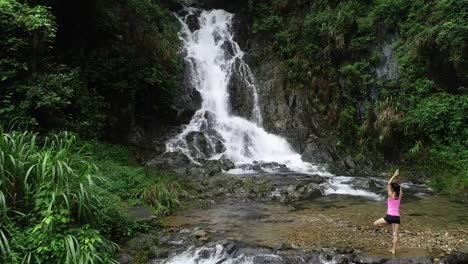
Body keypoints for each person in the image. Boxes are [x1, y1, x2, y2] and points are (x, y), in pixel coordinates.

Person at [373, 169, 402, 255]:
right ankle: (393, 250)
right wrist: (398, 176)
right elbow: (400, 185)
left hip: (389, 216)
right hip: (397, 217)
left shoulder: (390, 195)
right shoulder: (400, 194)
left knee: (375, 224)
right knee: (395, 234)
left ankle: (387, 223)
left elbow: (389, 183)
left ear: (393, 189)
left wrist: (394, 175)